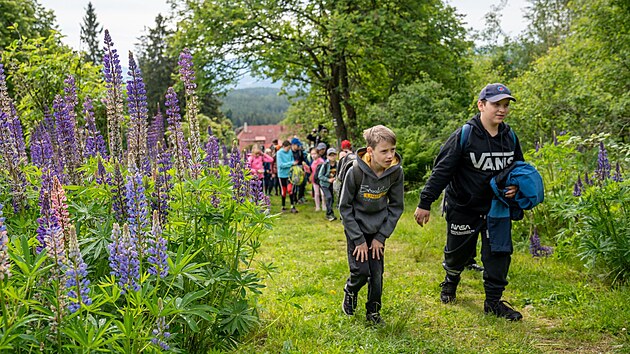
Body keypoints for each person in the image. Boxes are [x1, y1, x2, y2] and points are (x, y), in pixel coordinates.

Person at [414, 83, 524, 321]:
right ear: (481, 105)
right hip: (464, 207)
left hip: (497, 208)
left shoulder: (510, 136)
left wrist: (517, 186)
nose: (502, 110)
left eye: (505, 105)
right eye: (496, 104)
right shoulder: (465, 135)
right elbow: (442, 171)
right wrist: (425, 203)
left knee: (499, 255)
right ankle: (450, 282)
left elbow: (518, 168)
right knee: (457, 254)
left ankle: (493, 303)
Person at [339, 125, 404, 325]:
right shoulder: (355, 172)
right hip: (356, 229)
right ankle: (350, 290)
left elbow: (396, 207)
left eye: (392, 150)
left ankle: (373, 312)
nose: (389, 156)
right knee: (361, 272)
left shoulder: (395, 173)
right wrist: (358, 240)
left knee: (376, 274)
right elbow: (344, 207)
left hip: (377, 230)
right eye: (384, 151)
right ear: (370, 151)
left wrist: (380, 237)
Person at [318, 148, 338, 221]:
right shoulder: (325, 165)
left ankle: (330, 213)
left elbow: (338, 173)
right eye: (330, 155)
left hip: (332, 184)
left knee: (331, 199)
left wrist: (335, 179)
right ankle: (329, 214)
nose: (332, 157)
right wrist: (328, 180)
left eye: (334, 155)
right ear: (327, 156)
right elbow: (320, 176)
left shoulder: (337, 164)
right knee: (328, 197)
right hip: (324, 184)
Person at [276, 140, 296, 212]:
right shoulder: (279, 153)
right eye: (288, 148)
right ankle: (283, 206)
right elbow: (281, 165)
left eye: (289, 148)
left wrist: (291, 163)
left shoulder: (290, 152)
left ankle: (292, 206)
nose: (289, 150)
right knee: (283, 190)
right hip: (282, 174)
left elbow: (292, 160)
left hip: (289, 174)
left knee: (290, 190)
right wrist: (291, 163)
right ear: (284, 147)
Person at [309, 147, 326, 212]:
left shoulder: (321, 161)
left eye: (314, 154)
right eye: (312, 154)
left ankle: (324, 205)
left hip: (321, 179)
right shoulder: (312, 162)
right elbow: (311, 170)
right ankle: (317, 206)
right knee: (316, 194)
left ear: (318, 154)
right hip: (314, 180)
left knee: (323, 193)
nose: (313, 155)